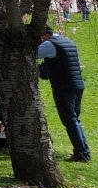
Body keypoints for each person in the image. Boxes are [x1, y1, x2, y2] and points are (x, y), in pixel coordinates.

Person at [38, 24, 91, 162]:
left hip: (64, 86)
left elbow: (31, 53)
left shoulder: (48, 44)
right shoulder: (67, 41)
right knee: (74, 120)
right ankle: (82, 150)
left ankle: (82, 153)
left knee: (70, 120)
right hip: (77, 84)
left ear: (44, 35)